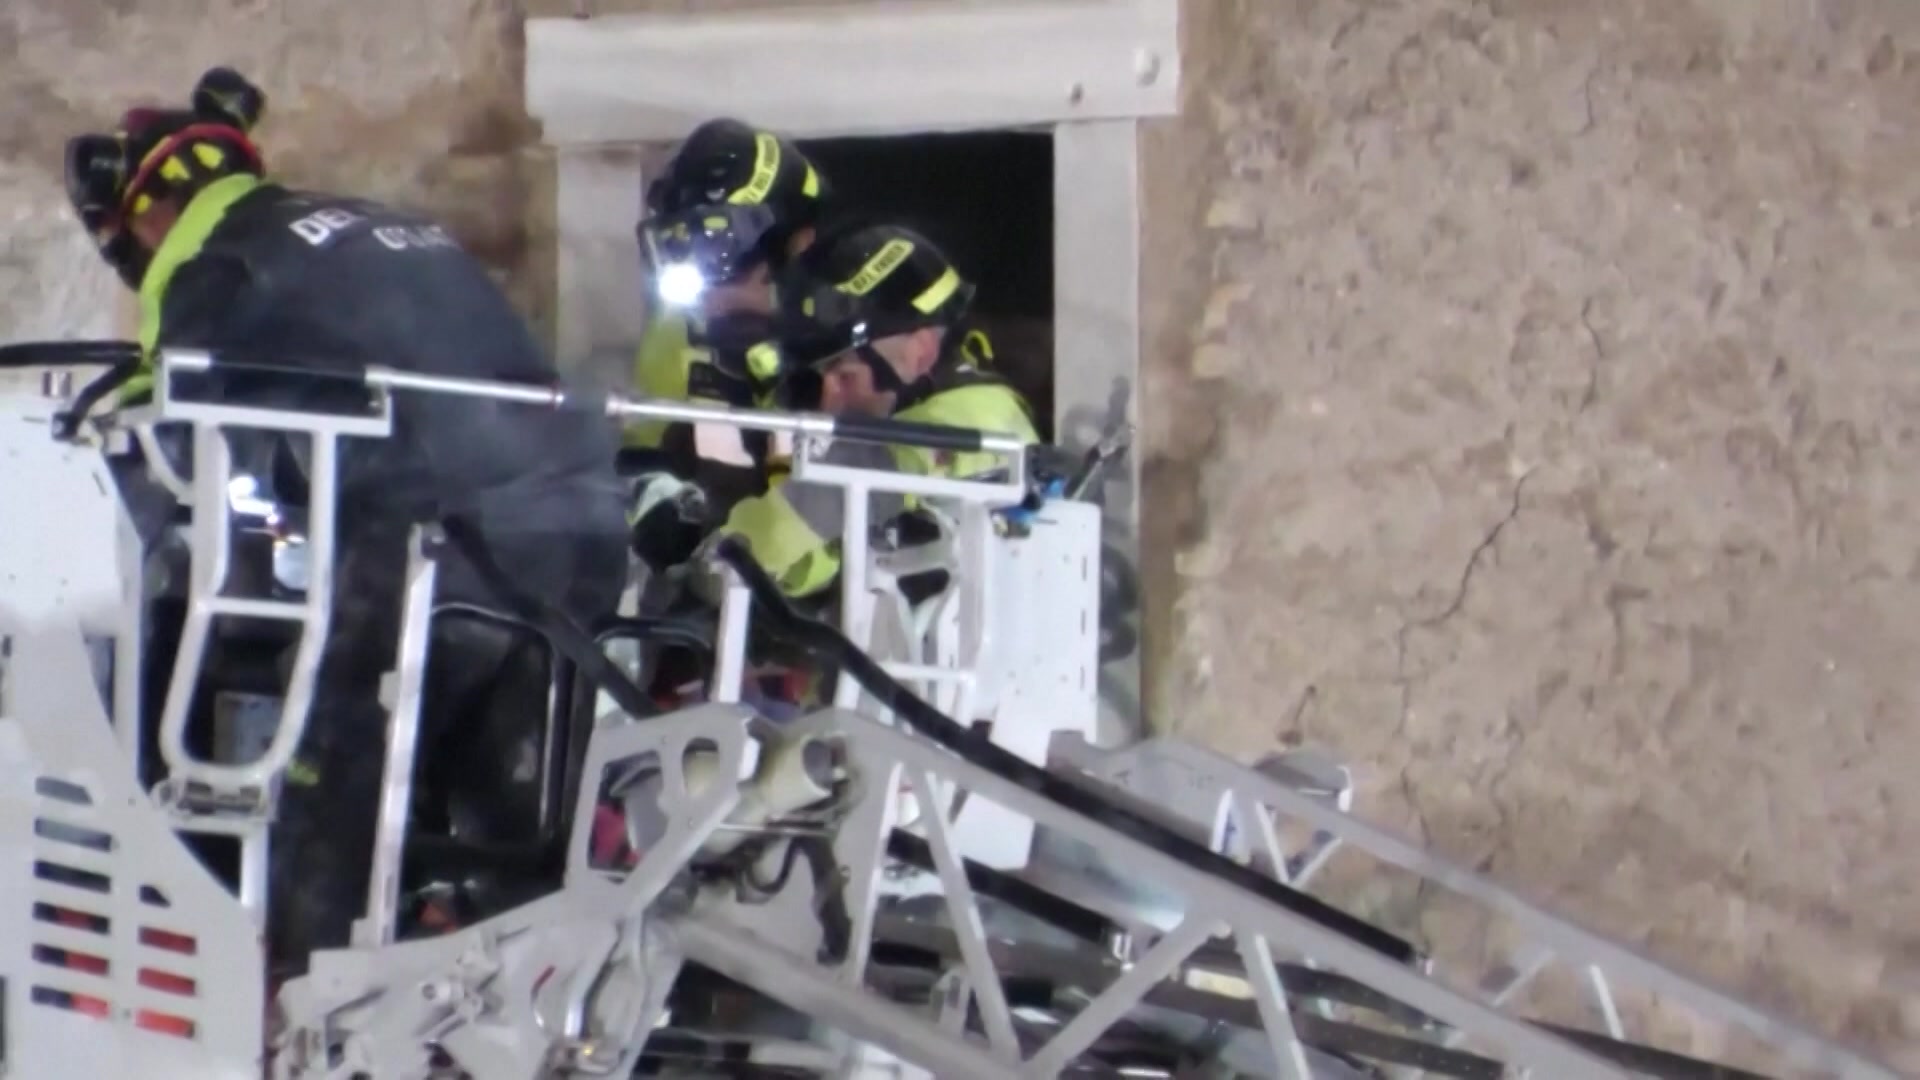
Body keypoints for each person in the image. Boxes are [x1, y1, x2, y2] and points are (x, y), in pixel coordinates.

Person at [64, 68, 631, 975]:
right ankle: (529, 1000)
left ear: (153, 209)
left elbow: (173, 426)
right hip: (584, 530)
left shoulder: (220, 262)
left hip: (440, 545)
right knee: (506, 813)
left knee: (332, 791)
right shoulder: (366, 232)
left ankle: (290, 1006)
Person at [710, 221, 1039, 600]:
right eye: (820, 380)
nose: (829, 401)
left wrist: (715, 562)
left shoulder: (979, 415)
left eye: (846, 376)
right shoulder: (900, 434)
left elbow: (841, 490)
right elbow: (816, 557)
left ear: (921, 352)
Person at [626, 119, 830, 543]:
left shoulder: (846, 341)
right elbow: (643, 457)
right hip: (716, 577)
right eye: (681, 244)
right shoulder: (675, 334)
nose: (700, 270)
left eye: (720, 247)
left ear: (795, 244)